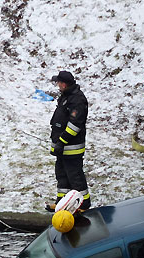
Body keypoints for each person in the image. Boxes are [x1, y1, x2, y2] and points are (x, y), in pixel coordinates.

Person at [46, 71, 91, 212]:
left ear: (64, 84)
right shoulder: (66, 97)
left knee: (75, 176)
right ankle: (62, 202)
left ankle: (83, 204)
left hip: (72, 147)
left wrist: (61, 142)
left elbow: (75, 125)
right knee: (61, 174)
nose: (57, 85)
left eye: (58, 82)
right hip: (62, 148)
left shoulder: (77, 100)